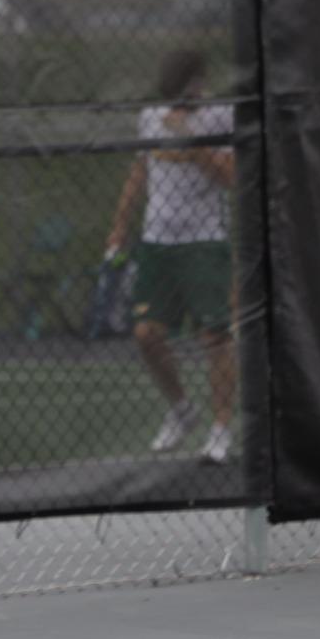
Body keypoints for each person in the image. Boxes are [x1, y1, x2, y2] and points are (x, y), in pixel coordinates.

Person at [105, 50, 236, 463]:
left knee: (215, 335)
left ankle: (220, 431)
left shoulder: (220, 115)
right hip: (156, 242)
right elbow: (139, 169)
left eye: (185, 96)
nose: (177, 106)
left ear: (199, 85)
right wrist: (120, 224)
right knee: (146, 334)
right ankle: (181, 409)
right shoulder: (150, 117)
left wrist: (191, 139)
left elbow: (230, 177)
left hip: (204, 241)